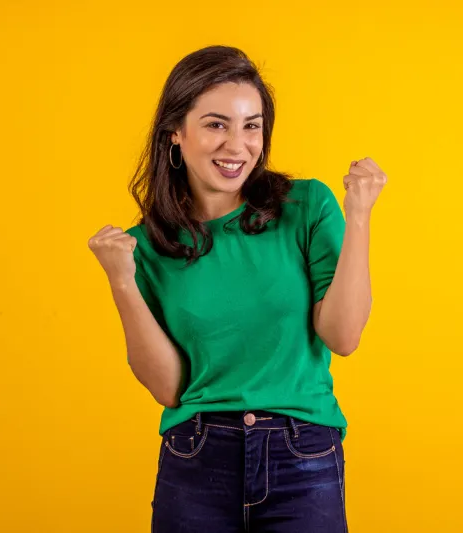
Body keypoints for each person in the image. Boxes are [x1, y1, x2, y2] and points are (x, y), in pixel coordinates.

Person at [88, 45, 387, 533]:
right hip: (197, 458)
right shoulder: (145, 246)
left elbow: (343, 336)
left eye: (251, 125)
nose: (237, 145)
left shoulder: (306, 206)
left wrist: (359, 218)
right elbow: (168, 388)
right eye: (215, 124)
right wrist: (121, 279)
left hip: (303, 454)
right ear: (175, 134)